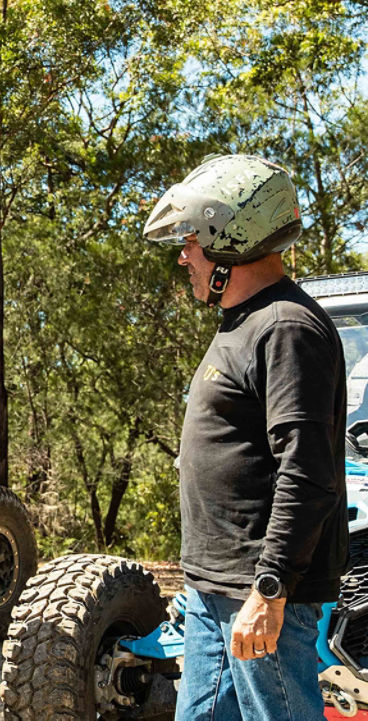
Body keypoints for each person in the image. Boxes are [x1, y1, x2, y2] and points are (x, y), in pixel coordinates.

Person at [143, 154, 347, 721]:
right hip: (214, 593)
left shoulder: (285, 327)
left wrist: (270, 588)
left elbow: (306, 473)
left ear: (228, 238)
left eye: (192, 240)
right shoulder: (244, 322)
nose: (184, 255)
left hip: (257, 594)